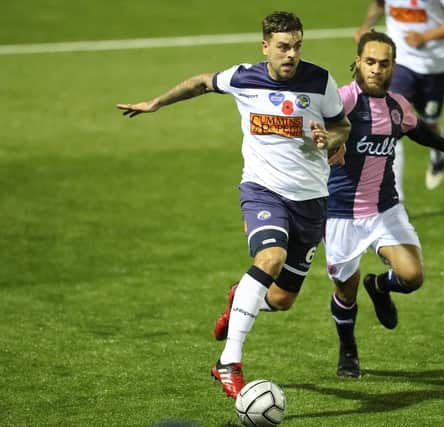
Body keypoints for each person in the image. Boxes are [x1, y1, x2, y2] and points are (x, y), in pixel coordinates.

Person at [117, 11, 351, 399]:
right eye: (283, 47)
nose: (290, 54)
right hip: (262, 191)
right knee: (270, 259)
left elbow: (342, 124)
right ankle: (229, 362)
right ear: (266, 47)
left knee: (281, 298)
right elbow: (200, 83)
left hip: (311, 199)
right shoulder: (245, 77)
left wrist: (331, 138)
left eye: (296, 46)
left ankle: (238, 295)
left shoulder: (321, 80)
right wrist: (157, 102)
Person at [325, 30, 444, 377]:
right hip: (340, 215)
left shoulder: (398, 107)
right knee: (345, 292)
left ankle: (379, 286)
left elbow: (418, 130)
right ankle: (348, 350)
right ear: (358, 63)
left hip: (384, 209)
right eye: (371, 62)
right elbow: (313, 134)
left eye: (385, 63)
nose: (377, 69)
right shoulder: (341, 101)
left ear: (393, 66)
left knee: (412, 275)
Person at [354, 0, 444, 196]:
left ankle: (439, 145)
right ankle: (396, 197)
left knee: (429, 123)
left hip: (434, 66)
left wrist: (425, 37)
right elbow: (379, 4)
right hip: (400, 63)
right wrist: (365, 27)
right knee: (391, 124)